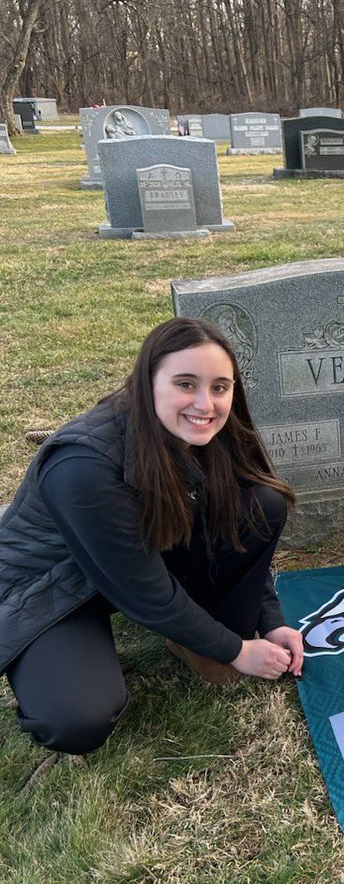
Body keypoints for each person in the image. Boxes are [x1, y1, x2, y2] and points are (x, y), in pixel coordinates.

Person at [0, 318, 304, 755]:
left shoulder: (212, 430)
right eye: (186, 383)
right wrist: (235, 648)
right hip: (57, 583)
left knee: (262, 502)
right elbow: (145, 591)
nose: (206, 403)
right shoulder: (82, 468)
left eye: (220, 387)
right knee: (77, 720)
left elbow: (241, 525)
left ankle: (189, 637)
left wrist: (270, 622)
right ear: (147, 382)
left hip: (143, 553)